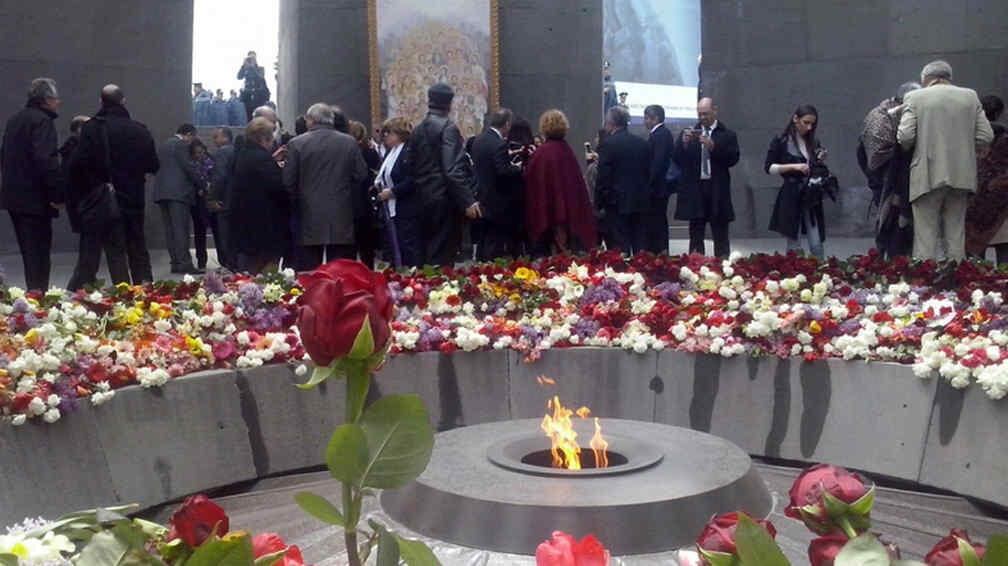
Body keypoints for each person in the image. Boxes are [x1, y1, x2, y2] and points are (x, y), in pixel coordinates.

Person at [898, 60, 994, 260]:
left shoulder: (915, 97)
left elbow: (905, 137)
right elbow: (986, 135)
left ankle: (924, 281)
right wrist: (965, 149)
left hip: (926, 174)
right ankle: (956, 280)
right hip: (962, 174)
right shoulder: (970, 96)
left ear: (926, 79)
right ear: (949, 77)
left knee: (925, 236)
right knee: (956, 233)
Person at [69, 84, 159, 285]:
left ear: (101, 101)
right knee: (137, 249)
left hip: (102, 199)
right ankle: (145, 294)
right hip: (133, 199)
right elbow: (153, 165)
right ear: (123, 101)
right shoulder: (140, 130)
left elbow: (79, 164)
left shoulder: (92, 127)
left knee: (105, 252)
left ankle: (115, 294)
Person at [283, 103, 367, 271]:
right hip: (342, 214)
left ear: (311, 121)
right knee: (341, 273)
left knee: (309, 274)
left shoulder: (296, 144)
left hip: (307, 215)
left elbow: (288, 182)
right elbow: (361, 175)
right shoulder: (349, 142)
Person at [407, 83, 482, 266]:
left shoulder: (418, 129)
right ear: (450, 104)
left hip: (421, 198)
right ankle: (439, 292)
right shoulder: (448, 128)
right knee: (443, 255)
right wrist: (468, 200)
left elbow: (410, 163)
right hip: (443, 200)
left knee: (426, 254)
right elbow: (452, 169)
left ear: (429, 100)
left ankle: (424, 291)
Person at [1, 78, 62, 290]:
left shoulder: (14, 120)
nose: (58, 103)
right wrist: (56, 195)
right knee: (39, 256)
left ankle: (33, 296)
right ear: (46, 100)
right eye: (55, 98)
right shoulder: (43, 122)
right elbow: (46, 160)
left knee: (29, 254)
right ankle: (39, 300)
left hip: (14, 197)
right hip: (36, 199)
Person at [61, 114, 127, 290]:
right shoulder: (82, 153)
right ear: (81, 130)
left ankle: (80, 291)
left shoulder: (74, 151)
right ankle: (79, 291)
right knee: (97, 257)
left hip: (92, 209)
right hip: (95, 207)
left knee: (93, 257)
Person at [673, 98, 740, 258]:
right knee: (696, 232)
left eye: (706, 114)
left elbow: (733, 159)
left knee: (720, 232)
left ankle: (723, 266)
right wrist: (683, 144)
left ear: (715, 111)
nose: (702, 118)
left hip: (717, 189)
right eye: (700, 114)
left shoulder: (727, 134)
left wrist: (713, 147)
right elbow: (677, 160)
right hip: (696, 190)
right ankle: (696, 267)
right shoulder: (689, 132)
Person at [523, 110, 597, 255]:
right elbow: (575, 184)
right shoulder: (567, 151)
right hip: (568, 213)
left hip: (546, 211)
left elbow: (531, 181)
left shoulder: (541, 153)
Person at [861, 82, 920, 259]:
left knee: (897, 224)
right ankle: (891, 262)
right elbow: (877, 155)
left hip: (896, 177)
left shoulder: (891, 113)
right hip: (887, 179)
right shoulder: (881, 117)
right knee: (891, 222)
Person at [766, 105, 829, 258]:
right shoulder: (781, 141)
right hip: (792, 193)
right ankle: (793, 272)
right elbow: (769, 167)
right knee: (793, 239)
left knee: (816, 240)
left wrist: (819, 159)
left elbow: (815, 167)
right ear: (795, 119)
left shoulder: (813, 141)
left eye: (812, 124)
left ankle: (820, 270)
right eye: (806, 122)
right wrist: (794, 166)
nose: (809, 127)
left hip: (810, 194)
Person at [231, 118, 289, 273]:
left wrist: (272, 160)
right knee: (265, 275)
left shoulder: (245, 153)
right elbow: (278, 188)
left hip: (247, 225)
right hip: (264, 228)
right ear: (264, 138)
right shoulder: (261, 158)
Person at [596, 105, 650, 254]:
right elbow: (648, 172)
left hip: (616, 204)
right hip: (640, 202)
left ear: (611, 123)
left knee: (620, 250)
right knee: (640, 248)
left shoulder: (607, 145)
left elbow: (603, 177)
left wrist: (599, 203)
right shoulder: (642, 144)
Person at [471, 108, 524, 260]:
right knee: (495, 242)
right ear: (507, 124)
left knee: (484, 239)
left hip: (481, 195)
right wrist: (517, 168)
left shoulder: (479, 140)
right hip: (498, 199)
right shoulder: (499, 144)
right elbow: (502, 171)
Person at [153, 124, 204, 274]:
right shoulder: (181, 145)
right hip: (178, 192)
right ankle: (185, 263)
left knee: (170, 230)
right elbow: (188, 167)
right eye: (192, 138)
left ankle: (175, 262)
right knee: (180, 229)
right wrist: (202, 184)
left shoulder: (164, 145)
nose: (191, 142)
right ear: (188, 134)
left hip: (162, 192)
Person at [966, 95, 1008, 263]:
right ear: (999, 113)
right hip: (1003, 204)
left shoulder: (968, 136)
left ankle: (975, 285)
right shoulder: (1005, 137)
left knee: (974, 254)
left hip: (973, 201)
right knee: (1004, 250)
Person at [375, 117, 419, 267]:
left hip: (405, 206)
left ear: (398, 133)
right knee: (394, 246)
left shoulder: (408, 151)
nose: (385, 136)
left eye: (387, 133)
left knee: (407, 247)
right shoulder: (391, 152)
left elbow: (412, 178)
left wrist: (392, 191)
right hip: (391, 207)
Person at [349, 120, 382, 269]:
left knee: (350, 249)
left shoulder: (348, 152)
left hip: (350, 203)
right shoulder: (370, 152)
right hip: (366, 203)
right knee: (366, 249)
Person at [643, 104, 674, 254]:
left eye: (646, 118)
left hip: (658, 188)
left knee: (657, 220)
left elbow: (658, 162)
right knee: (656, 220)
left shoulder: (661, 134)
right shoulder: (661, 134)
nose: (644, 121)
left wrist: (648, 183)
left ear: (655, 118)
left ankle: (659, 250)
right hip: (658, 187)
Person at [208, 127, 237, 270]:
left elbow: (219, 176)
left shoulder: (222, 153)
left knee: (224, 235)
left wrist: (213, 198)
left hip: (224, 200)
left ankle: (229, 264)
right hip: (235, 199)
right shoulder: (237, 150)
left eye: (216, 137)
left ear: (225, 138)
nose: (214, 140)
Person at [189, 138, 214, 270]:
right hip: (198, 202)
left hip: (210, 199)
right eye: (196, 153)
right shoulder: (191, 165)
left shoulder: (210, 162)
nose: (199, 155)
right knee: (200, 231)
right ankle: (201, 260)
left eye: (201, 152)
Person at [238, 51, 270, 122]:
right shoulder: (246, 69)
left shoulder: (260, 68)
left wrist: (253, 67)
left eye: (253, 58)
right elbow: (239, 77)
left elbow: (260, 77)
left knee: (258, 115)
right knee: (248, 116)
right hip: (248, 95)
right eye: (249, 58)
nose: (251, 60)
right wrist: (243, 66)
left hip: (258, 95)